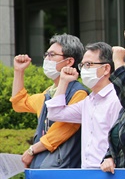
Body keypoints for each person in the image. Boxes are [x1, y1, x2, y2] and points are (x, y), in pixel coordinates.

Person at [11, 34, 88, 168]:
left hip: (63, 168)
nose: (47, 59)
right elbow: (19, 103)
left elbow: (60, 132)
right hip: (44, 165)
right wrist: (19, 71)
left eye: (52, 55)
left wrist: (32, 150)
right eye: (46, 55)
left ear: (69, 61)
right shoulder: (48, 93)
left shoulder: (78, 93)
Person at [46, 42, 122, 169]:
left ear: (106, 69)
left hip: (109, 172)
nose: (84, 70)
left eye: (89, 65)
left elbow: (119, 138)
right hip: (86, 172)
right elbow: (55, 113)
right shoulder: (89, 101)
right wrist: (64, 81)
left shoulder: (116, 99)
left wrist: (111, 158)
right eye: (82, 65)